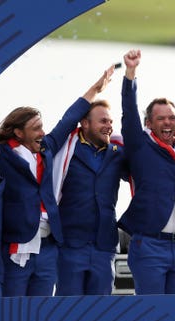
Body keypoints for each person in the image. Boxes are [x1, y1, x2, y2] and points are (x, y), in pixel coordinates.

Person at [0, 66, 114, 296]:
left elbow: (69, 120)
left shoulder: (46, 150)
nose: (43, 132)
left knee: (42, 314)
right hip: (16, 248)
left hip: (48, 249)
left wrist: (95, 89)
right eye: (36, 129)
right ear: (19, 133)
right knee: (13, 316)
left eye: (42, 127)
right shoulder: (3, 157)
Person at [119, 49, 175, 295]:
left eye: (171, 118)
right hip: (149, 245)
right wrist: (130, 74)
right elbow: (129, 113)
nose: (167, 123)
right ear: (149, 124)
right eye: (161, 119)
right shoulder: (140, 147)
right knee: (152, 315)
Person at [53, 98, 127, 296]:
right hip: (70, 245)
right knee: (68, 312)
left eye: (111, 122)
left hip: (104, 247)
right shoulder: (65, 151)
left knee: (100, 315)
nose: (109, 127)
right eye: (103, 121)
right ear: (85, 123)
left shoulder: (118, 153)